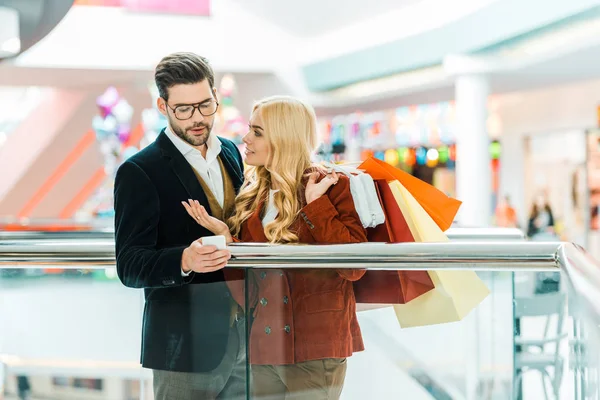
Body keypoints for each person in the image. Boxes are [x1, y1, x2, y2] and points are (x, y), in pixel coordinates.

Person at [183, 95, 368, 400]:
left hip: (315, 347)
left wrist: (317, 205)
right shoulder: (254, 196)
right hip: (265, 346)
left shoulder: (331, 185)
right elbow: (250, 293)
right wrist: (228, 241)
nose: (245, 138)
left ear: (283, 137)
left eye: (257, 132)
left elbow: (353, 266)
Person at [114, 52, 247, 400]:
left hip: (246, 340)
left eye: (205, 105)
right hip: (184, 347)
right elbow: (129, 265)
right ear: (163, 106)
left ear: (216, 96)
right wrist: (183, 260)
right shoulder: (140, 171)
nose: (198, 118)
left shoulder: (231, 152)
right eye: (184, 109)